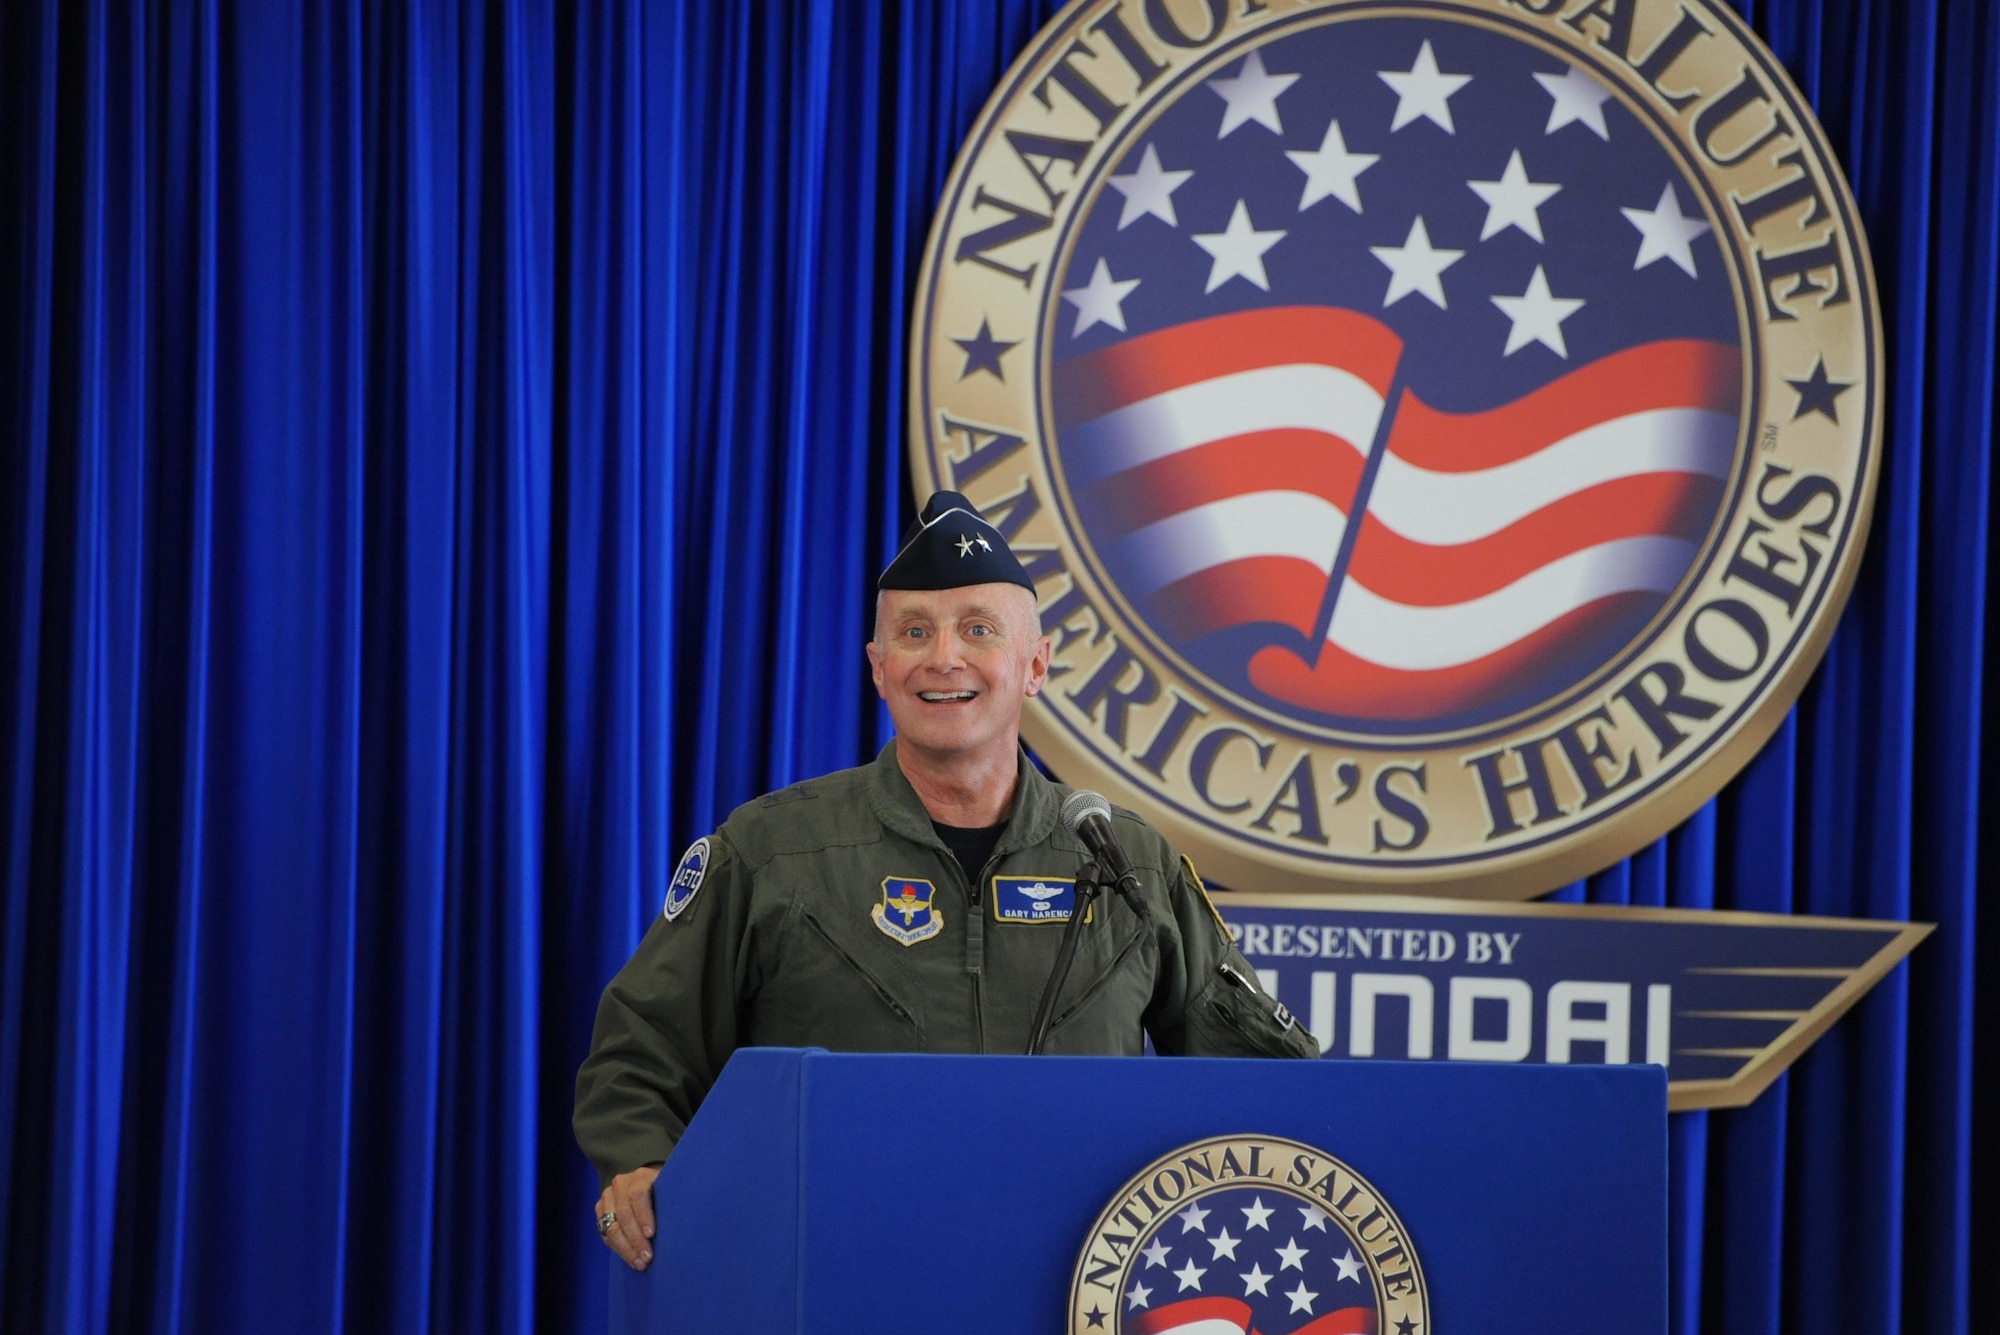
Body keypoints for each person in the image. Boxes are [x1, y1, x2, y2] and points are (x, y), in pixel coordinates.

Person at [575, 491, 1316, 1270]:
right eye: (914, 633)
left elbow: (1262, 1080)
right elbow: (640, 1046)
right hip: (832, 1271)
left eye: (978, 629)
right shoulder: (770, 851)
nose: (944, 657)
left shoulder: (1127, 860)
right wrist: (640, 1161)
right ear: (878, 668)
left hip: (1074, 1279)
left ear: (1035, 664)